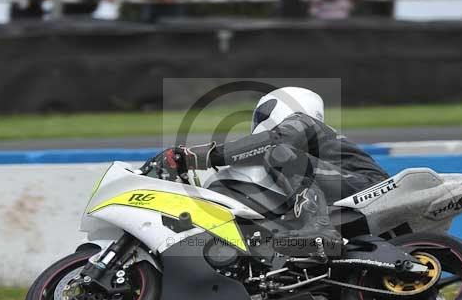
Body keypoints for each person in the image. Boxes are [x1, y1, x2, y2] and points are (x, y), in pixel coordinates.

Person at [161, 87, 389, 264]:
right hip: (349, 194)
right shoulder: (310, 151)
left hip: (367, 186)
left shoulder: (304, 122)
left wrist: (199, 157)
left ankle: (321, 227)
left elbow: (274, 140)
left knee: (278, 153)